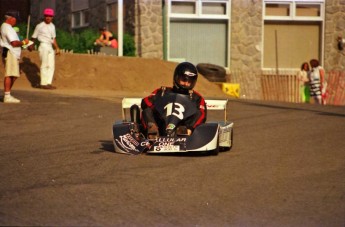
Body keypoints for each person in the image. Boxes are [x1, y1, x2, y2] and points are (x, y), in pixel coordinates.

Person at [141, 62, 207, 138]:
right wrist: (157, 107)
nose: (186, 84)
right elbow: (145, 101)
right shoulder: (163, 91)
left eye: (189, 82)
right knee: (147, 111)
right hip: (161, 124)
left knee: (198, 113)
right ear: (176, 77)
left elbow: (202, 114)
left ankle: (185, 132)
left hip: (183, 125)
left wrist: (189, 127)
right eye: (184, 80)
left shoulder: (196, 97)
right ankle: (152, 132)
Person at [0, 12, 30, 103]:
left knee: (14, 75)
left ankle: (8, 94)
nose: (16, 22)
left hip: (12, 53)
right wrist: (24, 42)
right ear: (11, 18)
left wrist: (24, 44)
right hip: (10, 53)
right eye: (15, 19)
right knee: (10, 74)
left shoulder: (7, 27)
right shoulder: (7, 27)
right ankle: (7, 96)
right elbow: (14, 43)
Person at [29, 8, 60, 90]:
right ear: (44, 16)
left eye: (50, 16)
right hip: (43, 45)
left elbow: (53, 38)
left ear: (52, 17)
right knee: (44, 64)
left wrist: (57, 48)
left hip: (50, 46)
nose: (48, 17)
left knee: (51, 65)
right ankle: (43, 83)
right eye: (46, 16)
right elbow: (33, 37)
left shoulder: (53, 26)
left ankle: (48, 83)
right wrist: (29, 45)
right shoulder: (39, 26)